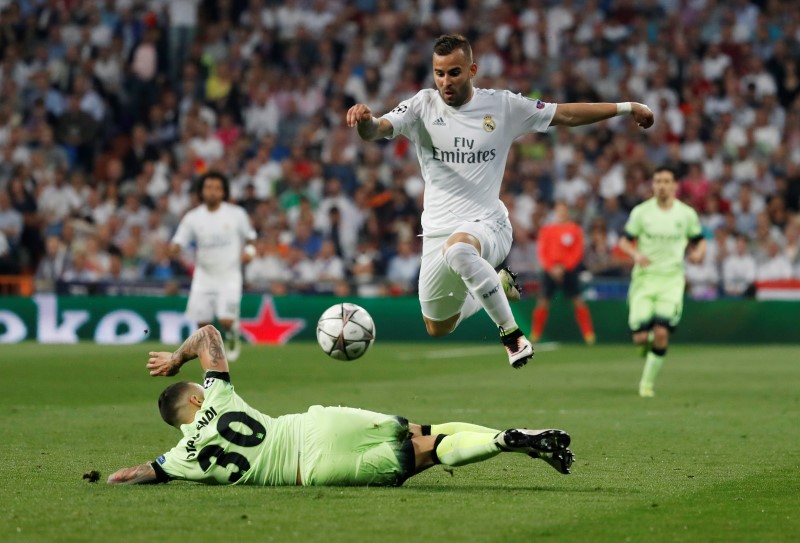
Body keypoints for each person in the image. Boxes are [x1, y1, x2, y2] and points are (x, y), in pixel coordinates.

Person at [346, 33, 653, 369]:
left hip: (488, 225)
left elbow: (564, 114)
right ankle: (500, 284)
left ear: (472, 69)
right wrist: (365, 121)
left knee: (459, 250)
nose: (445, 81)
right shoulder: (421, 106)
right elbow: (377, 130)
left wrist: (627, 107)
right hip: (436, 231)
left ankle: (512, 336)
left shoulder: (503, 106)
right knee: (437, 326)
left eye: (454, 72)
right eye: (439, 73)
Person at [107, 325, 575, 486]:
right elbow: (209, 334)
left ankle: (500, 441)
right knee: (422, 428)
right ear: (195, 396)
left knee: (428, 451)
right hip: (316, 425)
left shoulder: (181, 459)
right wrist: (175, 357)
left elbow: (132, 475)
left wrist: (115, 476)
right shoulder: (220, 395)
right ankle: (511, 436)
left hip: (311, 470)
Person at [618, 167, 706, 398]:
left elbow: (699, 241)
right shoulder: (641, 212)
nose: (662, 185)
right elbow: (625, 241)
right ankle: (647, 351)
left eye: (667, 181)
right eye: (658, 181)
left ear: (675, 185)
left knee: (661, 333)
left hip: (672, 280)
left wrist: (698, 254)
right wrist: (635, 255)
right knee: (639, 338)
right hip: (644, 280)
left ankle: (646, 385)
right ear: (653, 185)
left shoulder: (686, 214)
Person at [170, 172, 256, 361]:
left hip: (229, 275)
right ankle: (213, 360)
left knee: (225, 320)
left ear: (223, 192)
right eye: (208, 187)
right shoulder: (193, 217)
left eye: (217, 188)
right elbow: (178, 241)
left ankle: (232, 334)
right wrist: (174, 248)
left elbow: (251, 237)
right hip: (204, 276)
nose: (212, 192)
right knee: (203, 326)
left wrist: (250, 251)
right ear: (201, 191)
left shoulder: (236, 214)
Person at [532, 201, 596, 344]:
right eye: (559, 210)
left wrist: (564, 267)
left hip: (569, 271)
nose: (561, 213)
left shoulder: (574, 230)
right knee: (543, 302)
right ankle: (535, 334)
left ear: (567, 212)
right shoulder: (547, 230)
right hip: (550, 271)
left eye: (564, 210)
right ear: (555, 212)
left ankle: (589, 334)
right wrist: (551, 268)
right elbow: (542, 252)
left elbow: (577, 252)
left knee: (578, 301)